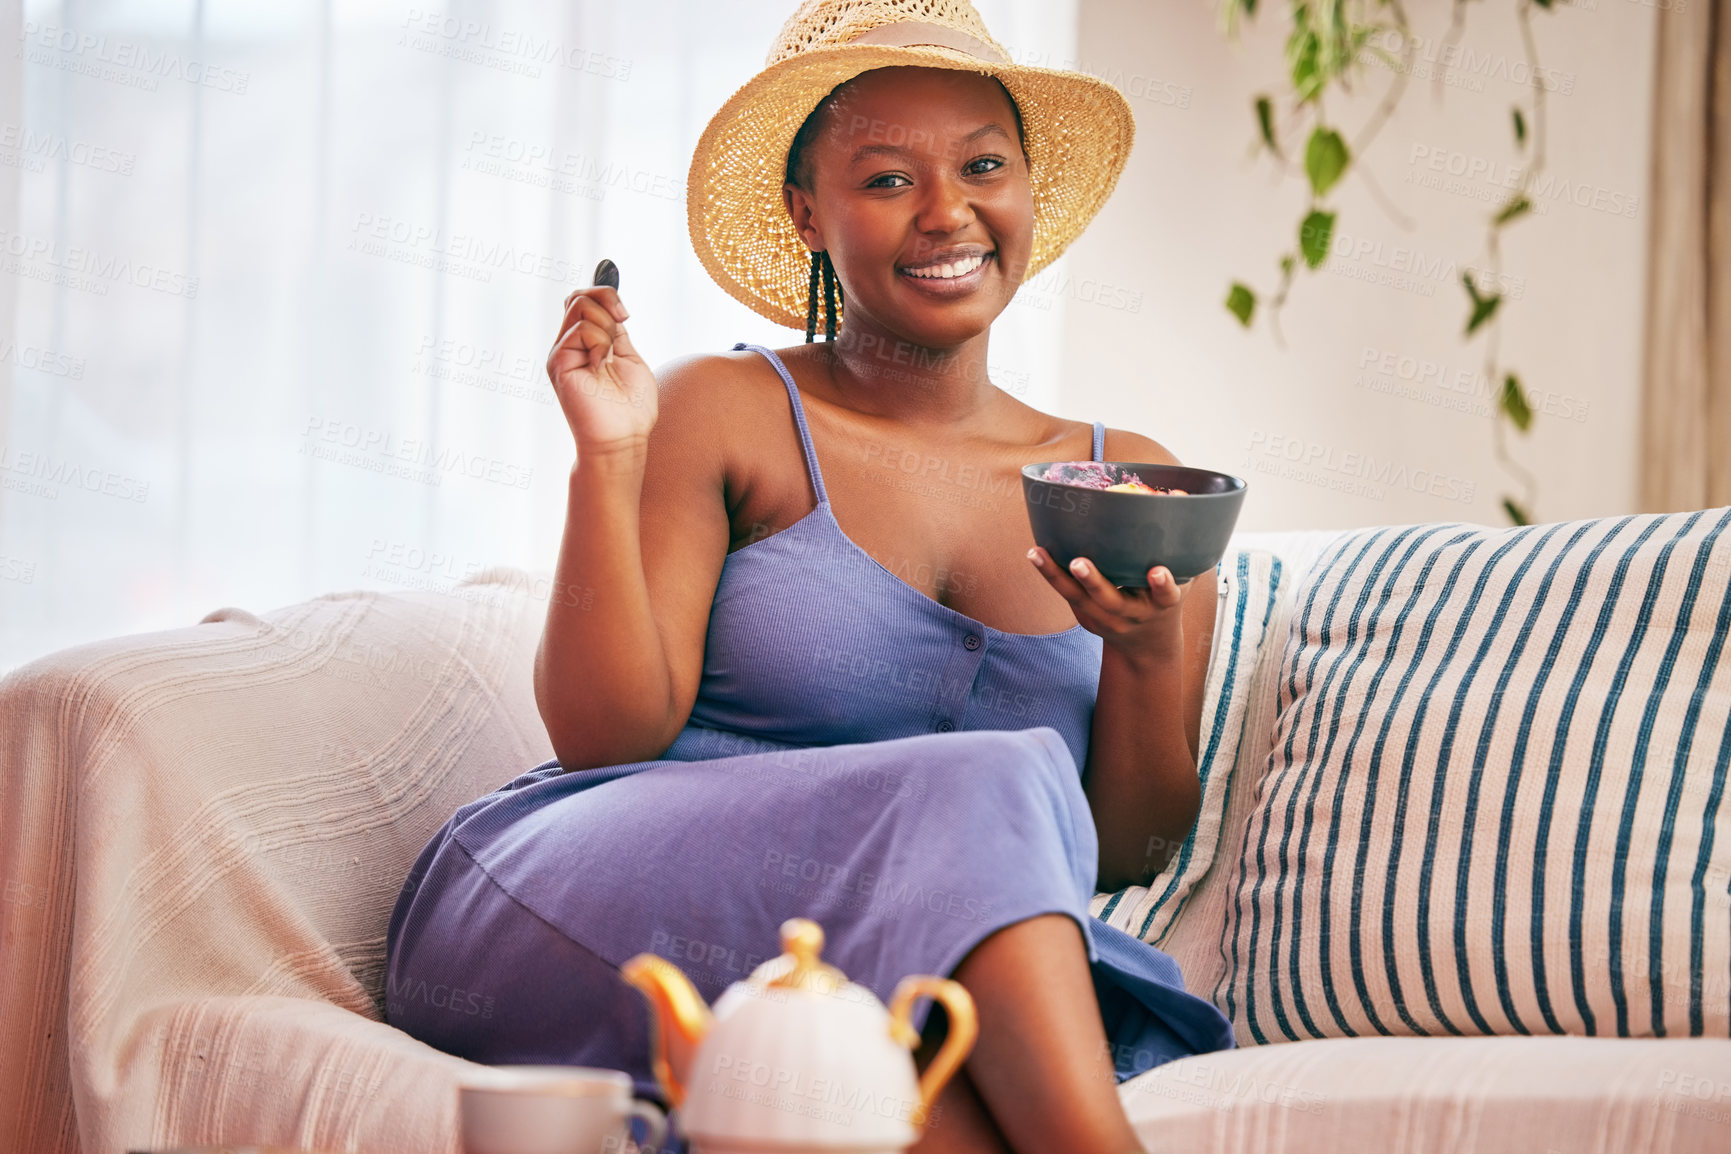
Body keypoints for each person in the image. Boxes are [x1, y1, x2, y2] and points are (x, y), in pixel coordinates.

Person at [383, 2, 1235, 1150]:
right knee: (989, 778)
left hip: (884, 975)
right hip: (599, 895)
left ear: (1028, 187)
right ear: (806, 212)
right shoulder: (724, 412)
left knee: (938, 1111)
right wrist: (610, 457)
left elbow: (1126, 848)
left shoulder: (1131, 484)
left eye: (985, 165)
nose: (948, 212)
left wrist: (1142, 648)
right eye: (886, 179)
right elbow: (605, 737)